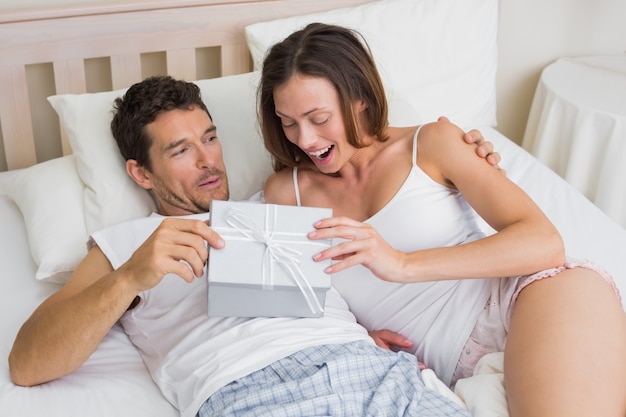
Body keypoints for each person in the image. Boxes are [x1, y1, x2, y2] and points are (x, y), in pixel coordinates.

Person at [8, 75, 500, 417]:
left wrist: (467, 148)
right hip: (250, 392)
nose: (208, 161)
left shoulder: (282, 198)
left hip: (367, 368)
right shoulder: (125, 247)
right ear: (140, 172)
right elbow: (28, 364)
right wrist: (130, 278)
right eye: (181, 151)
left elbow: (372, 157)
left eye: (210, 138)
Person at [259, 23, 626, 417]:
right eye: (288, 121)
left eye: (318, 118)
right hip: (447, 365)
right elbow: (292, 305)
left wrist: (399, 263)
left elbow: (544, 243)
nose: (306, 140)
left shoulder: (431, 143)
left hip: (530, 301)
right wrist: (357, 337)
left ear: (359, 98)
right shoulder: (285, 195)